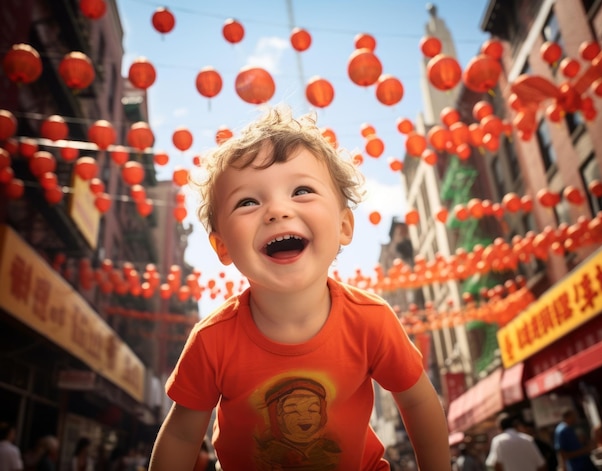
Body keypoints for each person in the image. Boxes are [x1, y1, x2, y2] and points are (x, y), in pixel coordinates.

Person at [147, 105, 451, 470]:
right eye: (248, 202)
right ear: (222, 246)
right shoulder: (212, 340)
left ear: (344, 225)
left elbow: (417, 401)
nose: (277, 210)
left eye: (301, 190)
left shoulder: (371, 320)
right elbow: (182, 434)